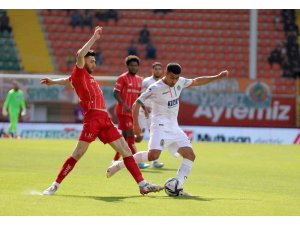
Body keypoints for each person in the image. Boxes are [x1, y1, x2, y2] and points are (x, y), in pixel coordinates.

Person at [40, 26, 163, 196]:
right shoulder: (80, 71)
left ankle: (142, 184)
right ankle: (55, 185)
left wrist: (53, 81)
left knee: (126, 150)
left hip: (104, 118)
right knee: (78, 153)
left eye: (95, 61)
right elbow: (79, 56)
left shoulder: (84, 77)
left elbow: (67, 80)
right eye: (91, 61)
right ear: (84, 62)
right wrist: (94, 38)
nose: (94, 63)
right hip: (92, 119)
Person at [106, 63, 229, 196]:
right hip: (159, 126)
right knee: (153, 156)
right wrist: (136, 125)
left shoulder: (180, 82)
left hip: (174, 128)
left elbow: (197, 81)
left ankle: (178, 185)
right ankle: (119, 165)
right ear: (166, 73)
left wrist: (216, 77)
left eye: (176, 78)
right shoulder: (155, 87)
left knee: (190, 155)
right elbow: (137, 103)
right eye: (171, 77)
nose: (174, 81)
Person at [112, 55, 150, 169]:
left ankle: (114, 161)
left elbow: (139, 96)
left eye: (136, 65)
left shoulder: (139, 80)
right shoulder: (122, 78)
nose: (134, 67)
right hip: (123, 112)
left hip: (133, 112)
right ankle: (137, 162)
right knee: (130, 136)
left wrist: (144, 108)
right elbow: (115, 93)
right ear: (128, 66)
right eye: (132, 65)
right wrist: (124, 105)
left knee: (123, 139)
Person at [135, 62, 164, 168]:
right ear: (152, 70)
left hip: (154, 114)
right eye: (155, 69)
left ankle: (155, 161)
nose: (157, 71)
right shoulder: (146, 81)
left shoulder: (163, 82)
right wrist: (144, 107)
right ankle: (127, 144)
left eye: (159, 69)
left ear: (162, 71)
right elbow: (139, 96)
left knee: (155, 136)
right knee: (139, 137)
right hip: (143, 112)